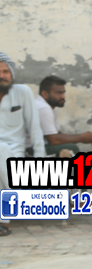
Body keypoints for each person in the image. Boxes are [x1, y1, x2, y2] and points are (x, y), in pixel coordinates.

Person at [0, 59, 45, 236]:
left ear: (12, 74)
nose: (2, 76)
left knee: (2, 150)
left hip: (14, 151)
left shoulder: (22, 92)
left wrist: (40, 162)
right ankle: (5, 218)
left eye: (5, 71)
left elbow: (35, 127)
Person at [36, 76, 92, 156]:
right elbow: (54, 140)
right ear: (45, 94)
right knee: (72, 148)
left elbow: (58, 135)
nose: (63, 96)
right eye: (59, 93)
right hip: (32, 149)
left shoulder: (48, 107)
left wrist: (83, 136)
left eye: (63, 93)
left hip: (41, 146)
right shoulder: (43, 108)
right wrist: (82, 138)